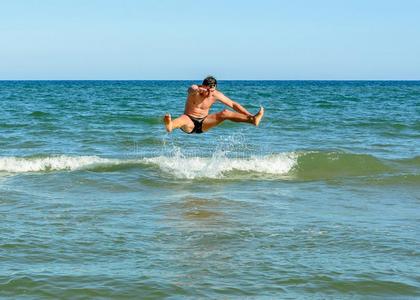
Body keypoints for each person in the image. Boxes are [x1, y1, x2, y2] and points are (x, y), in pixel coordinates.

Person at [163, 76, 264, 134]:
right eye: (208, 90)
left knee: (225, 113)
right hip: (189, 122)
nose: (210, 93)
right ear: (203, 86)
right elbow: (191, 89)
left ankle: (253, 120)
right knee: (183, 118)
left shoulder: (215, 94)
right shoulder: (195, 92)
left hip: (204, 123)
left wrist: (249, 115)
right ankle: (170, 125)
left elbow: (233, 104)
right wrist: (196, 88)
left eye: (213, 90)